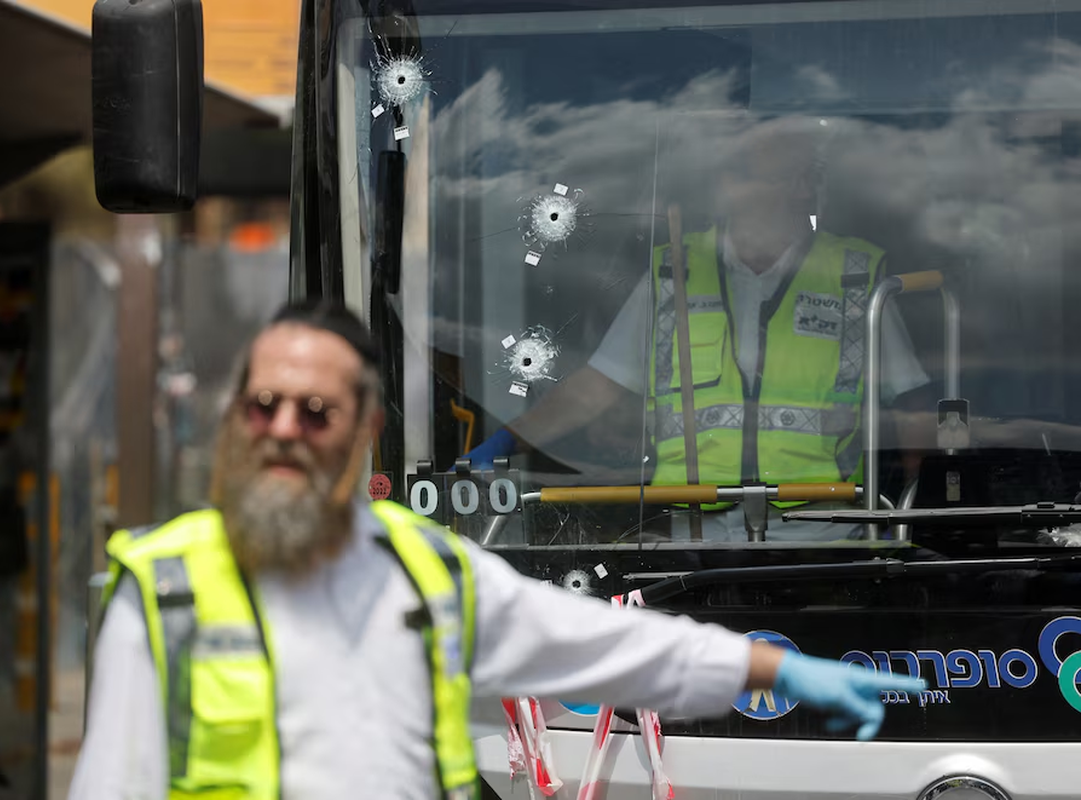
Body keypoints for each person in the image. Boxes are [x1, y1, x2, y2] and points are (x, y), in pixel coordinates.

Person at [67, 298, 926, 800]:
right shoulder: (165, 593)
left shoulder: (425, 571)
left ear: (365, 429)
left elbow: (609, 647)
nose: (283, 431)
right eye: (263, 406)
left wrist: (779, 672)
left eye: (315, 412)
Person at [465, 118, 934, 541]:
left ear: (802, 187)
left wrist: (914, 523)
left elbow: (912, 405)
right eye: (729, 174)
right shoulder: (676, 272)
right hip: (695, 533)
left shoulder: (854, 276)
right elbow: (598, 386)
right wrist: (507, 441)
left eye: (748, 174)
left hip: (821, 531)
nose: (730, 186)